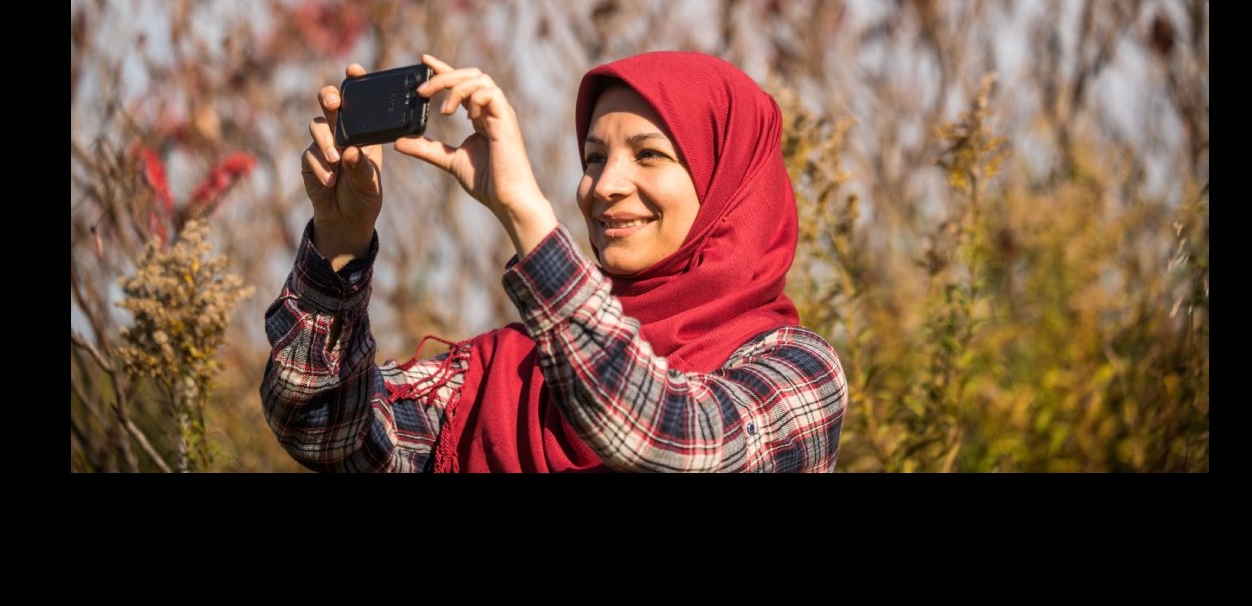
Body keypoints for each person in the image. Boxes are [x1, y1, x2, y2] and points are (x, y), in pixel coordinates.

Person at [261, 50, 849, 472]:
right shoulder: (510, 372)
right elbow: (324, 431)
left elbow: (671, 441)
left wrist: (525, 213)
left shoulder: (796, 372)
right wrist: (340, 247)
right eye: (594, 158)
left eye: (648, 155)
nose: (604, 185)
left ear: (730, 188)